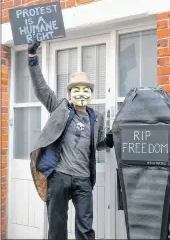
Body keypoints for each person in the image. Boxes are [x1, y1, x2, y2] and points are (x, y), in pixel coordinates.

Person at [27, 41, 114, 240]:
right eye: (76, 89)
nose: (81, 93)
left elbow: (97, 143)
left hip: (83, 179)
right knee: (57, 228)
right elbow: (41, 89)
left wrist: (107, 141)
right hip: (59, 177)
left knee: (85, 228)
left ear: (91, 93)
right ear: (69, 92)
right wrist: (32, 57)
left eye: (85, 89)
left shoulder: (97, 118)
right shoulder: (60, 108)